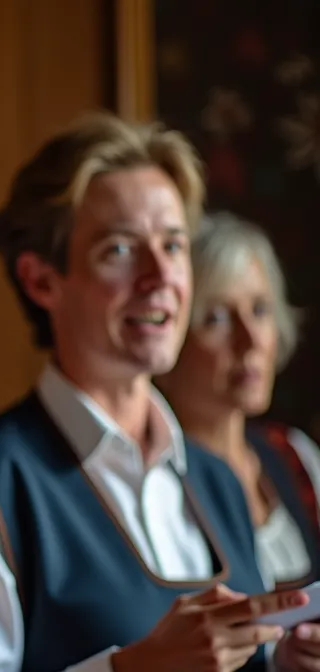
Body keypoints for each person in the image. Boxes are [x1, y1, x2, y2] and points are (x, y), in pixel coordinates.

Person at [0, 113, 309, 672]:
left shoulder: (217, 480)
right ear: (41, 280)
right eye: (119, 250)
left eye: (173, 244)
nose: (161, 275)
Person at [156, 212, 320, 667]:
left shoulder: (296, 456)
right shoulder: (153, 486)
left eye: (260, 310)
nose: (250, 340)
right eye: (216, 318)